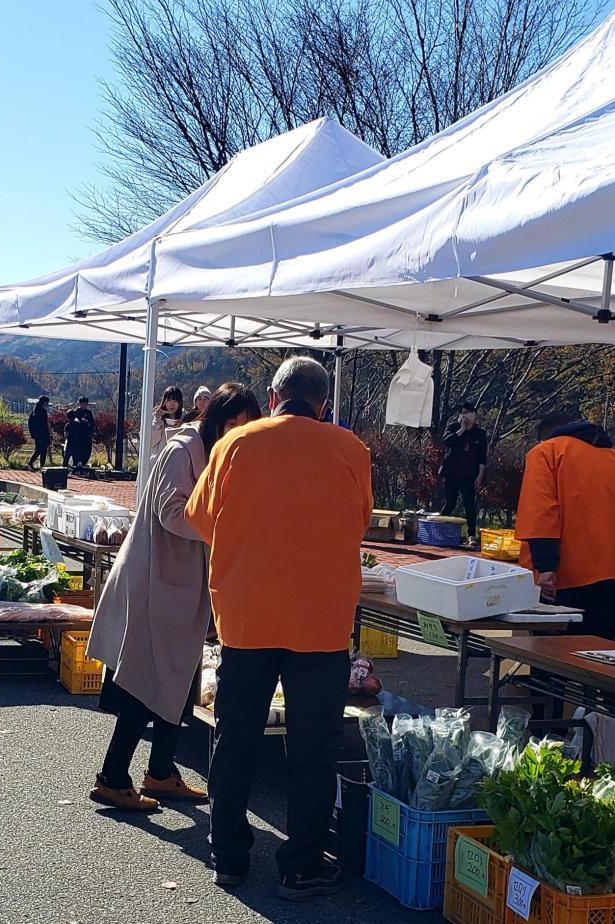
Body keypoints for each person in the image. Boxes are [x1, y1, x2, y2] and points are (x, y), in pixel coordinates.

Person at [185, 356, 373, 900]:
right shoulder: (351, 450)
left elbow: (200, 520)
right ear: (322, 403)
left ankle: (229, 857)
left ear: (273, 397)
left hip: (247, 617)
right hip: (322, 623)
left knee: (236, 737)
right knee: (313, 746)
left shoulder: (234, 444)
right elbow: (359, 518)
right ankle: (302, 862)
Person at [88, 383, 262, 812]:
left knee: (179, 679)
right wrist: (227, 527)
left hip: (182, 585)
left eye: (245, 425)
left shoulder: (220, 456)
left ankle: (161, 771)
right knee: (146, 682)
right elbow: (171, 512)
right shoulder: (183, 450)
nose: (236, 431)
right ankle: (112, 777)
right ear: (213, 419)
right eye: (230, 423)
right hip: (157, 581)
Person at [516, 412, 615, 640]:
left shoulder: (546, 452)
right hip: (613, 573)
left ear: (544, 438)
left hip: (569, 575)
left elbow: (541, 512)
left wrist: (545, 567)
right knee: (598, 656)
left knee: (555, 658)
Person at [439, 402, 488, 548]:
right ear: (460, 415)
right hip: (452, 473)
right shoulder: (453, 428)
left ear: (475, 415)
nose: (467, 416)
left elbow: (482, 457)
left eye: (470, 413)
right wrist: (461, 430)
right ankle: (440, 530)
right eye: (464, 413)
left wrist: (480, 475)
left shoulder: (480, 433)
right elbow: (447, 442)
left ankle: (471, 535)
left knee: (469, 505)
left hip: (469, 474)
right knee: (450, 503)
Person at [150, 386, 183, 460]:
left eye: (175, 401)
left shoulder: (184, 418)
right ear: (164, 401)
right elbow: (151, 442)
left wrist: (181, 425)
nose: (172, 404)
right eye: (169, 400)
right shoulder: (155, 416)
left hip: (177, 460)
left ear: (180, 403)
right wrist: (157, 420)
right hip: (158, 459)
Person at [63, 396, 95, 469]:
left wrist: (88, 423)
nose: (84, 405)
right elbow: (71, 423)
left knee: (87, 451)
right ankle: (75, 466)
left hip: (87, 435)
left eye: (86, 404)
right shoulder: (75, 412)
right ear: (79, 404)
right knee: (76, 453)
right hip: (77, 437)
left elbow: (92, 424)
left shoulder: (89, 413)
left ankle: (82, 465)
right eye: (83, 404)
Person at [26, 396, 51, 471]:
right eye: (47, 402)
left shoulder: (34, 411)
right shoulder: (43, 412)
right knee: (41, 450)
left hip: (36, 434)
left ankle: (41, 466)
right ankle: (31, 463)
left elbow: (30, 423)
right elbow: (45, 424)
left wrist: (32, 433)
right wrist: (48, 435)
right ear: (44, 402)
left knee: (40, 449)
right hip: (43, 434)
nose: (47, 404)